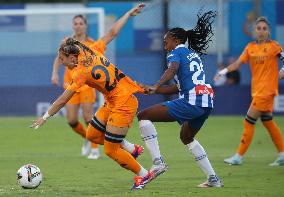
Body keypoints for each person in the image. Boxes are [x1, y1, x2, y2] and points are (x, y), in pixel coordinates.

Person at [137, 11, 223, 188]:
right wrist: (154, 89)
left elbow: (172, 69)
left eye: (166, 41)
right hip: (207, 100)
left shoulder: (175, 53)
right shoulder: (192, 55)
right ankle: (213, 179)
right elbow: (177, 87)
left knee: (143, 115)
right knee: (186, 137)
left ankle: (158, 162)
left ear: (176, 40)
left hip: (192, 100)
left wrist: (156, 84)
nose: (165, 45)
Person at [51, 7, 140, 159]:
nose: (78, 25)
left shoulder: (92, 45)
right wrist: (54, 73)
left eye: (81, 23)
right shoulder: (67, 43)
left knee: (88, 118)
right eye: (76, 23)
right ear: (73, 26)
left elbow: (111, 36)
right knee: (72, 121)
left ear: (85, 26)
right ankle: (87, 139)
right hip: (71, 85)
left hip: (86, 86)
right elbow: (58, 58)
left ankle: (94, 148)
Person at [215, 16, 284, 166]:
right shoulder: (250, 48)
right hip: (257, 91)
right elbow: (238, 63)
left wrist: (283, 69)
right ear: (254, 30)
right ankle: (282, 154)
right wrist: (223, 71)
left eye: (264, 29)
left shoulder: (274, 46)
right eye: (258, 28)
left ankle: (238, 156)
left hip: (267, 91)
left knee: (249, 121)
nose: (261, 31)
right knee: (268, 122)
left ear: (269, 31)